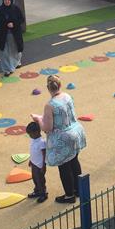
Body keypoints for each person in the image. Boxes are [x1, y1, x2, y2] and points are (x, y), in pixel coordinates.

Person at [31, 75, 87, 204]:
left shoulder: (50, 105)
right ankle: (78, 189)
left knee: (64, 167)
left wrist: (39, 119)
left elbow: (48, 128)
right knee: (74, 161)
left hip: (63, 139)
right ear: (60, 85)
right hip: (76, 132)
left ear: (48, 87)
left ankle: (69, 195)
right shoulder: (67, 96)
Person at [0, 0, 24, 77]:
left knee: (16, 50)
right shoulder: (0, 9)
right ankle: (7, 70)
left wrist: (14, 24)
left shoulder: (16, 9)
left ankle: (17, 62)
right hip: (3, 34)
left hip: (14, 34)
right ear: (3, 0)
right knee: (4, 52)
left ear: (11, 0)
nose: (7, 1)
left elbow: (21, 19)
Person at [26, 121, 48, 203]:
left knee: (40, 180)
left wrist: (44, 165)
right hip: (34, 164)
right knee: (35, 178)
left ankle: (43, 193)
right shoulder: (33, 140)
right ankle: (37, 190)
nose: (30, 136)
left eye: (31, 134)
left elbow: (44, 154)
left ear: (36, 132)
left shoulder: (41, 142)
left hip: (40, 166)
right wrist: (31, 160)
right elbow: (33, 151)